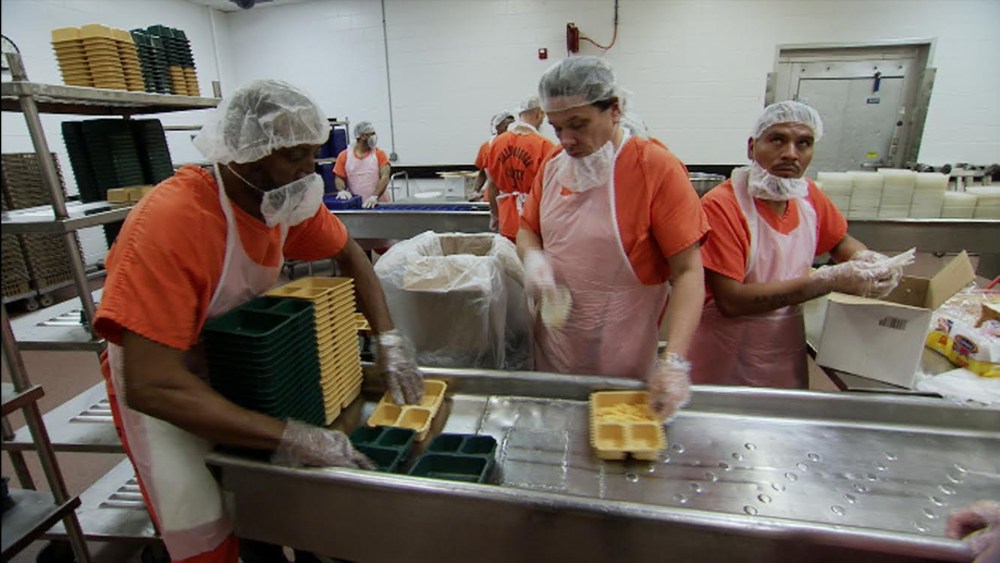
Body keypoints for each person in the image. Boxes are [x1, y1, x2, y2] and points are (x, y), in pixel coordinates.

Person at [92, 80, 424, 563]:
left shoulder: (280, 201)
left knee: (260, 498)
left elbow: (351, 256)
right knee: (204, 529)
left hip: (234, 363)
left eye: (312, 153)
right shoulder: (172, 223)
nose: (309, 169)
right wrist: (292, 436)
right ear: (246, 156)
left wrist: (388, 338)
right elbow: (150, 385)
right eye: (295, 157)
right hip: (167, 384)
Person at [517, 56, 708, 422]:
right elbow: (528, 230)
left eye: (578, 124)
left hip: (622, 354)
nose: (567, 140)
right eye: (557, 128)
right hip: (555, 344)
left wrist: (675, 360)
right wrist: (533, 259)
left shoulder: (654, 168)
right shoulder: (553, 167)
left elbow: (688, 271)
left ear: (615, 109)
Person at [689, 101, 904, 388]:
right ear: (752, 147)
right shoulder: (723, 205)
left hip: (783, 347)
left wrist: (866, 260)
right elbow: (732, 300)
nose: (791, 153)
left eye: (803, 143)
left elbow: (840, 241)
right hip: (727, 353)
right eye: (777, 140)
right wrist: (827, 280)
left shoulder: (808, 196)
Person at [486, 96, 554, 240]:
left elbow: (491, 185)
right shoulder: (544, 146)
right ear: (538, 114)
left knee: (508, 254)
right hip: (534, 221)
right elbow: (551, 192)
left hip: (506, 221)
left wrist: (495, 214)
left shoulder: (497, 144)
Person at [333, 121, 391, 209]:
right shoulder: (344, 156)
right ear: (361, 136)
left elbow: (385, 177)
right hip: (357, 205)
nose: (374, 137)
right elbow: (339, 177)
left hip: (379, 205)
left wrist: (374, 197)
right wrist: (341, 191)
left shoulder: (379, 154)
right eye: (371, 134)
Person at [471, 110, 515, 201]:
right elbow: (483, 173)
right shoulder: (487, 146)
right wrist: (475, 191)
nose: (509, 129)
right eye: (506, 126)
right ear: (497, 127)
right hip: (492, 197)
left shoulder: (517, 145)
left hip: (513, 197)